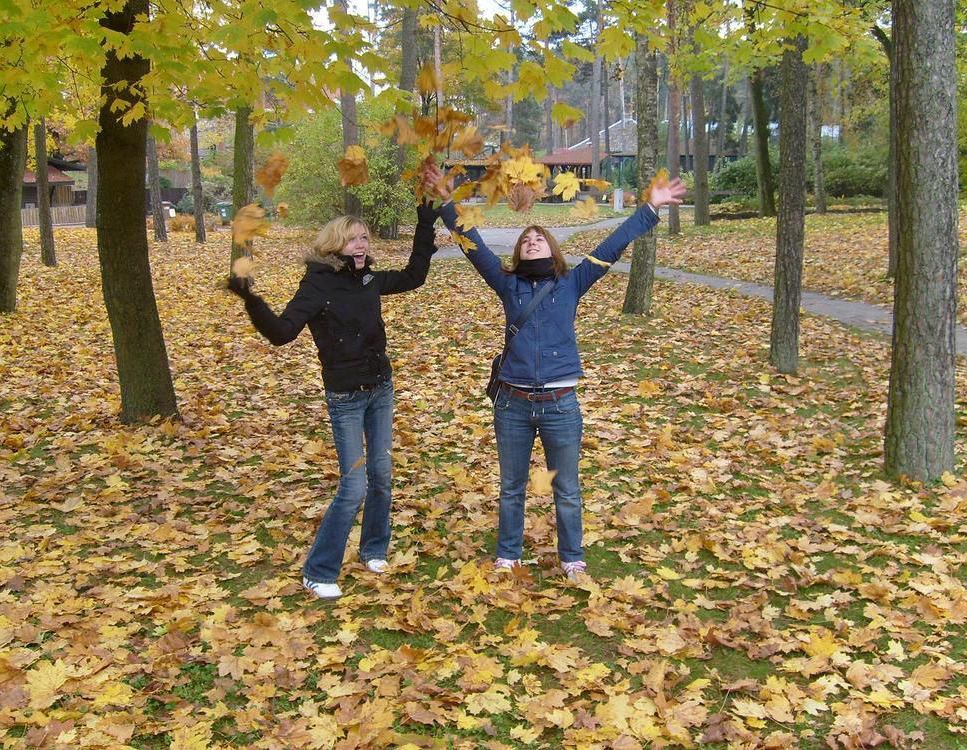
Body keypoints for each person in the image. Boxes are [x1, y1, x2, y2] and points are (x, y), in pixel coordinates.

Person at [424, 165, 685, 580]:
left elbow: (612, 244)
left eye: (538, 238)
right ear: (519, 251)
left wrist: (650, 208)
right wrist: (445, 201)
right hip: (512, 403)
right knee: (512, 487)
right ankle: (508, 553)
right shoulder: (506, 283)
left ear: (551, 249)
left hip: (561, 405)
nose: (531, 241)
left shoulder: (572, 282)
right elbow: (472, 244)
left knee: (565, 487)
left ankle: (571, 555)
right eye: (526, 239)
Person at [228, 202, 441, 599]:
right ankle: (318, 570)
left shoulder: (369, 279)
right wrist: (252, 302)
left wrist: (426, 222)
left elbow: (415, 276)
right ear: (333, 244)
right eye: (351, 238)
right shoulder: (318, 285)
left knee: (381, 475)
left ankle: (373, 549)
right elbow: (281, 332)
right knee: (354, 484)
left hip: (380, 388)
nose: (359, 244)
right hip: (345, 396)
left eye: (363, 237)